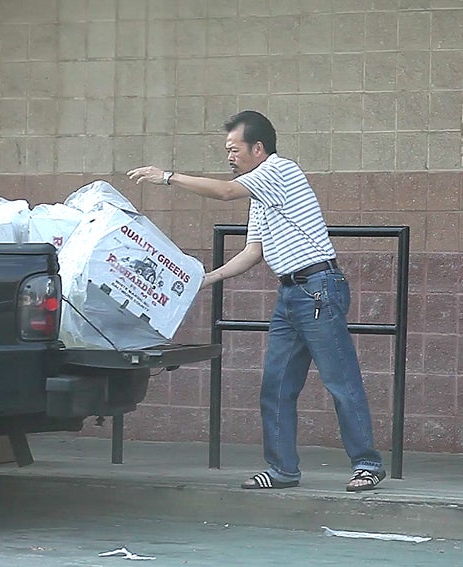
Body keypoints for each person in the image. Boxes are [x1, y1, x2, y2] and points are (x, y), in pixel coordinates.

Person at [127, 110, 386, 492]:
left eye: (234, 149)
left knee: (340, 381)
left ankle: (367, 464)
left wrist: (166, 177)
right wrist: (206, 279)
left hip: (318, 288)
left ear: (258, 148)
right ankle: (282, 469)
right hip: (290, 295)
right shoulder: (259, 194)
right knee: (276, 386)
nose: (229, 157)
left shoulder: (279, 171)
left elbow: (224, 191)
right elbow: (253, 252)